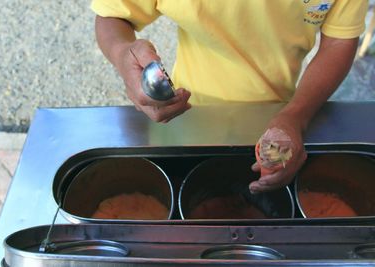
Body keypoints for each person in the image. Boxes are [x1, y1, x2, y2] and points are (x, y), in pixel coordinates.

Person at [91, 0, 368, 193]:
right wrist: (122, 53)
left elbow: (338, 41)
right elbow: (113, 15)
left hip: (277, 123)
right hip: (184, 119)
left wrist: (295, 117)